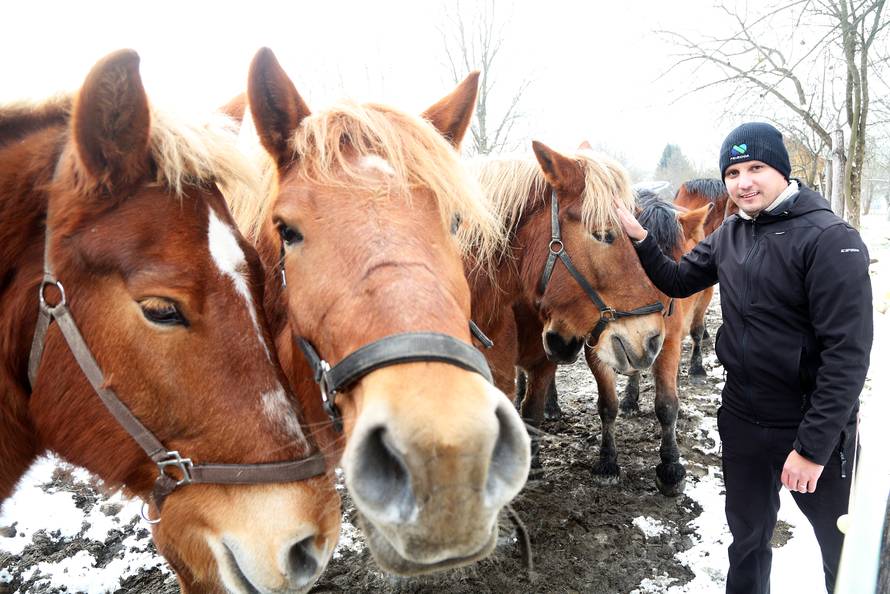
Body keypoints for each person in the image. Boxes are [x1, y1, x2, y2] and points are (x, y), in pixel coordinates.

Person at [614, 122, 873, 594]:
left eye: (756, 168)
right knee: (747, 542)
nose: (743, 182)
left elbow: (848, 357)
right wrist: (640, 238)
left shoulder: (830, 239)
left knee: (845, 552)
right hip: (742, 420)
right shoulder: (731, 233)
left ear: (781, 170)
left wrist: (812, 449)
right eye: (732, 172)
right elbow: (676, 281)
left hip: (813, 428)